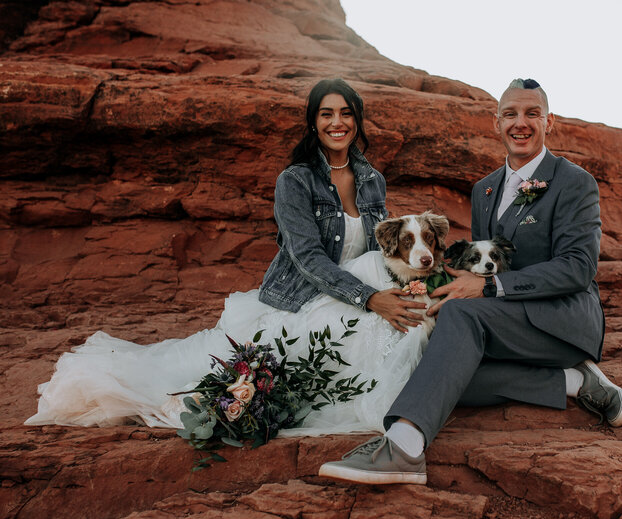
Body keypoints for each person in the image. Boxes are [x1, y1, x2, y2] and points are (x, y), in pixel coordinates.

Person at [25, 78, 430, 434]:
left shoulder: (372, 179)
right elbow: (306, 256)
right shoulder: (295, 180)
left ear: (357, 120)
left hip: (355, 292)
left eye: (345, 113)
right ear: (313, 122)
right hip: (305, 300)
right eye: (326, 114)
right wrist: (371, 298)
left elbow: (384, 246)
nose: (336, 122)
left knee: (404, 322)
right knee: (229, 380)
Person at [319, 78, 622, 485]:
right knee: (436, 366)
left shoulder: (575, 182)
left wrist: (486, 288)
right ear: (495, 123)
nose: (521, 123)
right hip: (502, 320)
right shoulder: (484, 189)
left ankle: (405, 446)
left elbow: (578, 267)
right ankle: (575, 381)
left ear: (549, 121)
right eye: (510, 114)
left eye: (532, 113)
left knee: (458, 325)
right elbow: (477, 264)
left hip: (562, 320)